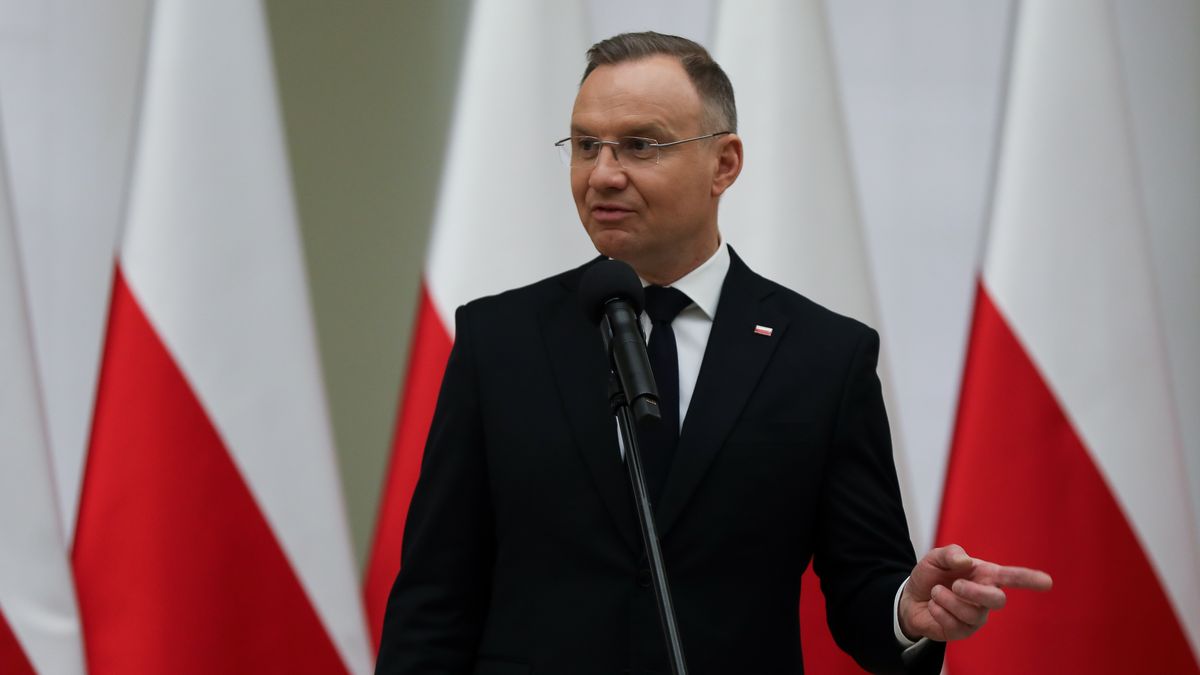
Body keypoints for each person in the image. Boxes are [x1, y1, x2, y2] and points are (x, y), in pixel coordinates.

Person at [376, 32, 1051, 675]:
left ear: (723, 164)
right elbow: (436, 594)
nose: (603, 174)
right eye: (586, 146)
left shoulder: (823, 356)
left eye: (639, 145)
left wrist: (907, 609)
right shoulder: (501, 339)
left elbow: (862, 583)